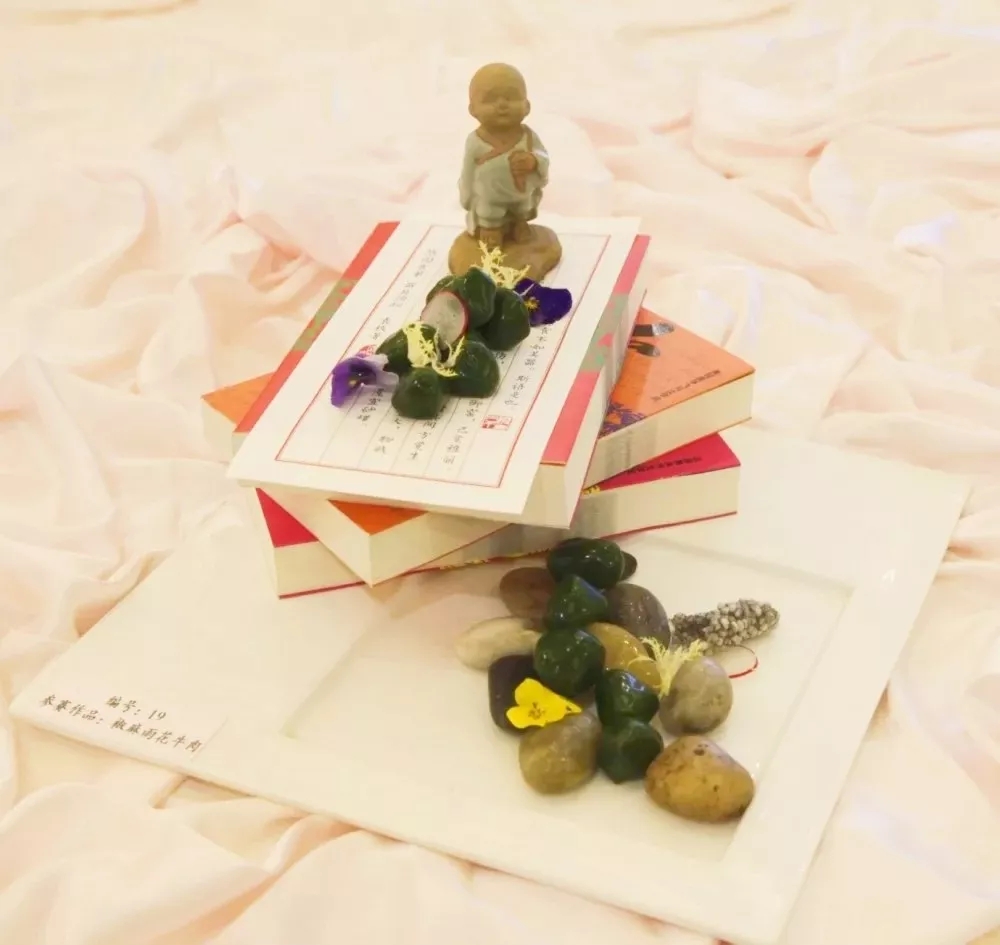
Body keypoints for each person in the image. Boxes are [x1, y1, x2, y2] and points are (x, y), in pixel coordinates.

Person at [459, 63, 550, 248]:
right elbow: (467, 171)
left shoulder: (528, 136)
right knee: (490, 211)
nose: (502, 105)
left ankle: (519, 224)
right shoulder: (475, 141)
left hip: (521, 193)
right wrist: (466, 195)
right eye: (490, 99)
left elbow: (543, 157)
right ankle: (491, 229)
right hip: (490, 197)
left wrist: (533, 161)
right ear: (473, 109)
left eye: (511, 97)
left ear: (527, 106)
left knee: (522, 208)